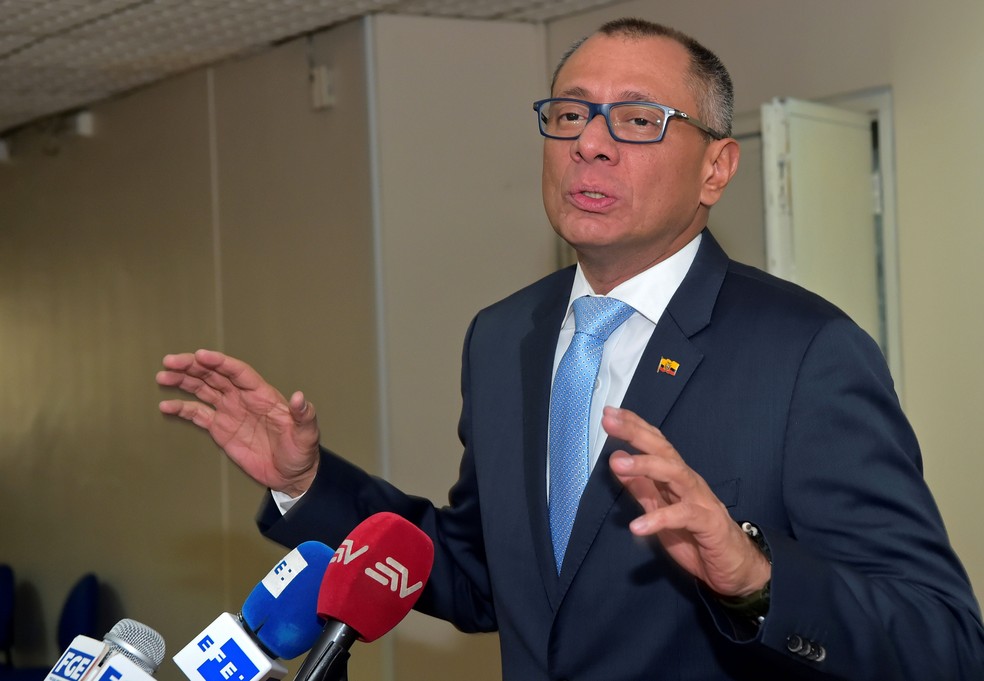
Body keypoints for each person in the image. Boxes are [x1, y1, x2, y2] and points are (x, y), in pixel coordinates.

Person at [156, 18, 984, 681]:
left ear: (717, 168)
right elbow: (482, 574)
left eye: (636, 120)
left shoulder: (809, 352)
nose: (590, 142)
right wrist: (308, 483)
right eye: (569, 114)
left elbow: (944, 642)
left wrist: (757, 577)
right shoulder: (504, 334)